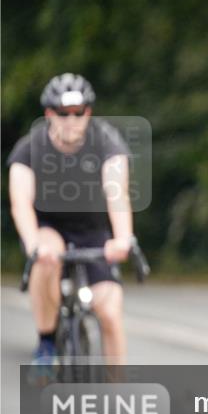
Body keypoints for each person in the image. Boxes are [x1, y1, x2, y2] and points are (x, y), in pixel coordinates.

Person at [7, 73, 135, 376]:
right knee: (47, 258)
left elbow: (117, 192)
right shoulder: (30, 147)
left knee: (110, 313)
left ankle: (118, 395)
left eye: (78, 113)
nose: (71, 120)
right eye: (62, 113)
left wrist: (122, 238)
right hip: (50, 227)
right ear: (49, 114)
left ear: (87, 113)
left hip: (94, 231)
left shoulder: (106, 141)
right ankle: (46, 343)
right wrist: (32, 243)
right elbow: (21, 201)